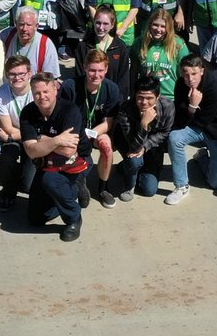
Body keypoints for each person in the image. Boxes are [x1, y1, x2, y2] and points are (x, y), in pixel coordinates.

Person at [21, 72, 89, 242]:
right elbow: (30, 151)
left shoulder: (69, 110)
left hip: (74, 163)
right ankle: (71, 193)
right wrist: (57, 140)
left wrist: (42, 141)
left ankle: (73, 217)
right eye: (37, 92)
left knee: (51, 181)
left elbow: (68, 151)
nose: (41, 96)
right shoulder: (28, 112)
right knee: (35, 219)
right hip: (46, 164)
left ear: (55, 89)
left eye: (46, 91)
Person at [165, 53, 217, 203]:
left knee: (216, 183)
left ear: (202, 71)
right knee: (175, 138)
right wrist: (192, 106)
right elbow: (180, 119)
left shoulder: (215, 89)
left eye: (194, 73)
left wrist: (193, 107)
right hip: (195, 127)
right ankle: (182, 186)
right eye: (186, 74)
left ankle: (202, 157)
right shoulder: (180, 84)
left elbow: (204, 121)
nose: (190, 79)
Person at [61, 49, 122, 207]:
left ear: (106, 69)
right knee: (67, 149)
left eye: (101, 70)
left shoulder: (111, 89)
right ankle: (76, 182)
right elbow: (64, 117)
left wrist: (89, 134)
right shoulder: (70, 87)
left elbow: (109, 122)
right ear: (85, 68)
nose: (96, 75)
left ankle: (103, 188)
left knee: (106, 146)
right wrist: (78, 136)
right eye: (92, 70)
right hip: (73, 132)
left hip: (96, 132)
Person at [107, 75, 174, 202]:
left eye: (149, 98)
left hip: (153, 147)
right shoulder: (125, 109)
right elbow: (134, 146)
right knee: (134, 160)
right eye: (140, 97)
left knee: (149, 190)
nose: (144, 102)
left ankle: (128, 167)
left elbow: (165, 132)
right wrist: (144, 124)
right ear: (134, 95)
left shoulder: (168, 107)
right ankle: (129, 185)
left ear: (158, 97)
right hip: (130, 143)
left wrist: (146, 146)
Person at [0, 54, 36, 209]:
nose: (17, 78)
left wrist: (13, 136)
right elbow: (7, 128)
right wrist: (13, 136)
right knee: (7, 156)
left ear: (29, 74)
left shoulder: (37, 91)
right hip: (18, 139)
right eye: (12, 74)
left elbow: (39, 128)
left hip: (34, 140)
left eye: (21, 74)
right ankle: (8, 192)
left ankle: (20, 172)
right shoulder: (0, 94)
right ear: (6, 75)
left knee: (28, 186)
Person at [132, 8, 189, 100]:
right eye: (155, 25)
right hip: (147, 98)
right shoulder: (139, 43)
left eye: (163, 26)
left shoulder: (178, 45)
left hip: (170, 98)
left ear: (169, 28)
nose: (158, 29)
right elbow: (133, 74)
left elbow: (185, 75)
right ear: (150, 25)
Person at [75, 5, 131, 95]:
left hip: (113, 98)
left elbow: (123, 80)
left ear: (112, 25)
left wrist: (120, 103)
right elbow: (79, 76)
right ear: (93, 22)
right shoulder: (83, 47)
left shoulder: (120, 47)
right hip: (89, 96)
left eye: (105, 24)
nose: (101, 27)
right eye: (98, 23)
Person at [1, 6, 61, 78]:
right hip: (9, 86)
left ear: (36, 26)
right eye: (21, 24)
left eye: (29, 25)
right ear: (16, 24)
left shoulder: (45, 44)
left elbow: (52, 79)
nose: (24, 29)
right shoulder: (7, 35)